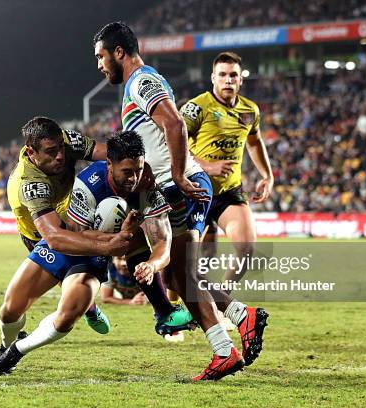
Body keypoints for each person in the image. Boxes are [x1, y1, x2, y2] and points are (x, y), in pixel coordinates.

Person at [93, 22, 263, 380]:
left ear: (118, 52)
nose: (99, 65)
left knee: (163, 265)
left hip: (177, 188)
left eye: (101, 56)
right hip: (170, 188)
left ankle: (218, 340)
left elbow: (175, 123)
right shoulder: (137, 85)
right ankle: (234, 322)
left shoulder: (141, 81)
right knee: (178, 273)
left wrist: (181, 174)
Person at [0, 130, 192, 375]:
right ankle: (5, 344)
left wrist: (152, 264)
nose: (134, 178)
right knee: (11, 309)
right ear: (109, 165)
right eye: (127, 172)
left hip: (93, 260)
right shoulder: (89, 183)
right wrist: (115, 240)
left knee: (68, 315)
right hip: (68, 244)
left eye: (138, 169)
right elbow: (78, 233)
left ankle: (16, 351)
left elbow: (163, 244)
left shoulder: (148, 189)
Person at [0, 116, 134, 375]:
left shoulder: (66, 142)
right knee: (11, 310)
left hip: (77, 223)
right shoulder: (29, 183)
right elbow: (54, 238)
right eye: (51, 152)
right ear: (31, 153)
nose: (59, 156)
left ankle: (82, 304)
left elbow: (107, 154)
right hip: (42, 235)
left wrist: (133, 168)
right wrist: (109, 247)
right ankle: (6, 344)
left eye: (60, 149)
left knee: (71, 304)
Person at [180, 51, 271, 361]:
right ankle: (186, 315)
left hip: (229, 192)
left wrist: (267, 175)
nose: (228, 80)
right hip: (195, 190)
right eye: (223, 74)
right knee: (192, 267)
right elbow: (170, 144)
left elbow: (255, 142)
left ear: (241, 78)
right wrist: (205, 165)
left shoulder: (250, 111)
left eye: (233, 75)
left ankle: (225, 306)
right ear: (213, 78)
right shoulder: (196, 109)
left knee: (246, 248)